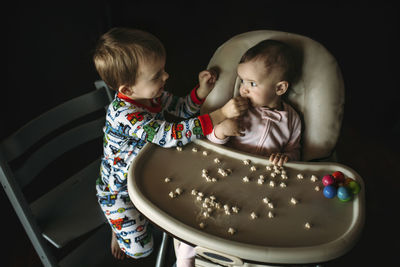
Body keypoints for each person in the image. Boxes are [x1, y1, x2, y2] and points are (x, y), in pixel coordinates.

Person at [93, 27, 248, 260]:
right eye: (157, 75)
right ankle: (116, 225)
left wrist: (201, 91)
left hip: (148, 171)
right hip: (118, 190)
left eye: (163, 70)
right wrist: (220, 114)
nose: (166, 77)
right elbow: (171, 135)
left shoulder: (151, 94)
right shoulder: (125, 114)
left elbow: (183, 109)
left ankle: (134, 223)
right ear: (127, 90)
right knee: (140, 250)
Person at [175, 39, 302, 266]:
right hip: (226, 173)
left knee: (260, 225)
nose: (243, 88)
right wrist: (222, 131)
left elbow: (295, 150)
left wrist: (287, 157)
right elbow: (210, 140)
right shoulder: (237, 108)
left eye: (252, 83)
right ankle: (186, 258)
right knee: (197, 219)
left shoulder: (292, 119)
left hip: (263, 183)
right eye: (242, 80)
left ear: (280, 88)